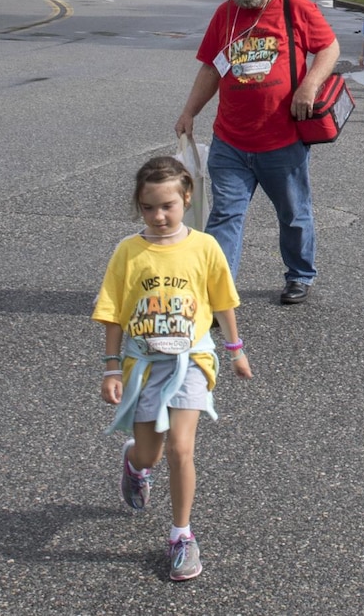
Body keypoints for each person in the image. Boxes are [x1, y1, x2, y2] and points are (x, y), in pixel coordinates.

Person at [96, 156, 252, 583]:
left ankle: (181, 535)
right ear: (138, 207)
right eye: (149, 208)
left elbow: (223, 300)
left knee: (182, 448)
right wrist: (111, 368)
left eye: (168, 205)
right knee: (152, 451)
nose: (159, 215)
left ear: (187, 197)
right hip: (143, 364)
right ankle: (135, 462)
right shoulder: (129, 252)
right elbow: (111, 312)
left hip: (192, 361)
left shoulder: (204, 247)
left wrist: (235, 350)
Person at [174, 0, 339, 305]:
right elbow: (210, 68)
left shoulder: (293, 7)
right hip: (230, 140)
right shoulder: (226, 14)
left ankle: (300, 275)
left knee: (294, 215)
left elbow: (329, 48)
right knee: (225, 216)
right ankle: (219, 294)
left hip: (282, 141)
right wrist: (189, 112)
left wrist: (309, 87)